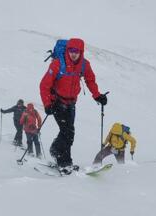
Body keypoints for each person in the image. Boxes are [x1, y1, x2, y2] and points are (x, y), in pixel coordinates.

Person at [40, 37, 107, 173]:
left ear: (81, 51)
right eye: (71, 50)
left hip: (71, 103)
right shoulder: (58, 64)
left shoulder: (84, 65)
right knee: (67, 132)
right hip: (57, 102)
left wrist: (97, 95)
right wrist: (47, 104)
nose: (73, 53)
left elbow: (90, 80)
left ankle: (58, 152)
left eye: (77, 51)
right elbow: (44, 85)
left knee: (69, 132)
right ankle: (63, 161)